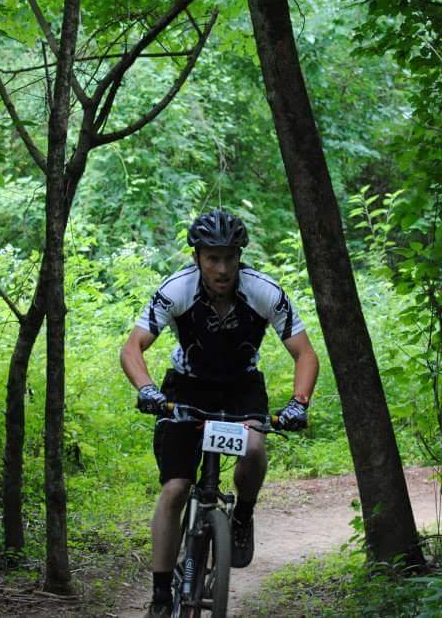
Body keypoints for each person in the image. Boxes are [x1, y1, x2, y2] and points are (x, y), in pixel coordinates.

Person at [120, 209, 319, 618]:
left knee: (254, 446)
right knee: (175, 488)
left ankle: (242, 513)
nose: (222, 268)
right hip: (186, 387)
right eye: (212, 258)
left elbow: (305, 353)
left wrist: (299, 402)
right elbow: (133, 348)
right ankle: (160, 595)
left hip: (241, 387)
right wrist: (148, 390)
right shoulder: (176, 289)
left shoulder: (264, 291)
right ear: (197, 257)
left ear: (239, 256)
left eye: (230, 257)